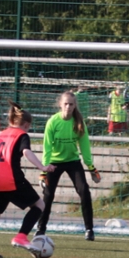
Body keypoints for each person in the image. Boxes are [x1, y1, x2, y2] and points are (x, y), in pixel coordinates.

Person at [0, 102, 55, 258]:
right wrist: (42, 167)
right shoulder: (21, 135)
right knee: (39, 205)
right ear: (26, 125)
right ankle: (21, 236)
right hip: (12, 179)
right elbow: (26, 152)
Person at [37, 91, 100, 241]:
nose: (68, 107)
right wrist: (44, 170)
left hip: (73, 162)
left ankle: (89, 229)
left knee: (84, 191)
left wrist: (91, 167)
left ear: (75, 105)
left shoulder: (79, 122)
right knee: (48, 194)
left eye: (71, 104)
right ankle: (40, 229)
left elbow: (84, 145)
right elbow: (47, 147)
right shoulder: (53, 122)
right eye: (65, 104)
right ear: (60, 104)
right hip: (54, 163)